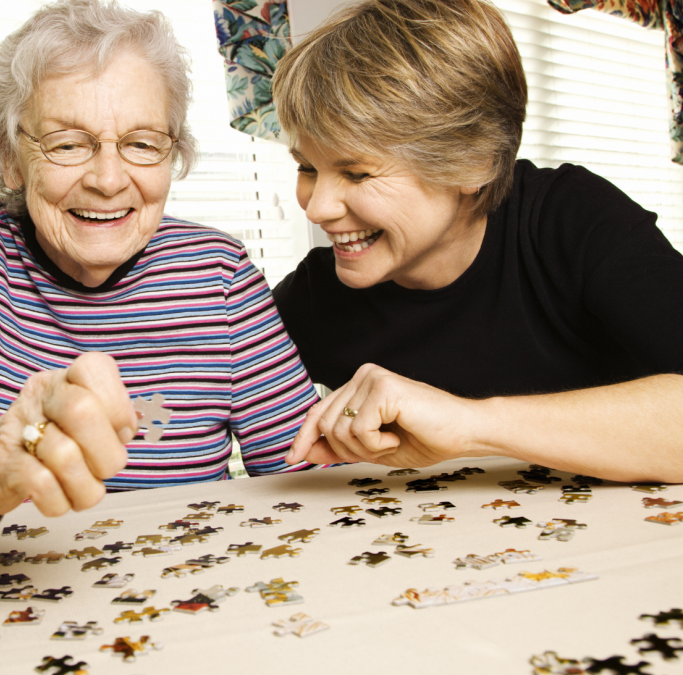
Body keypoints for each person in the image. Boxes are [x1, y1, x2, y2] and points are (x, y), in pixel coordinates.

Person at [0, 0, 320, 547]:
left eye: (140, 143)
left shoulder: (219, 272)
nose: (108, 180)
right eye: (67, 144)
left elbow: (305, 470)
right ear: (9, 157)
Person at [271, 0, 683, 483]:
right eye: (307, 167)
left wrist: (468, 425)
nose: (317, 207)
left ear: (473, 162)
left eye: (357, 172)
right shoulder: (315, 295)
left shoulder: (573, 221)